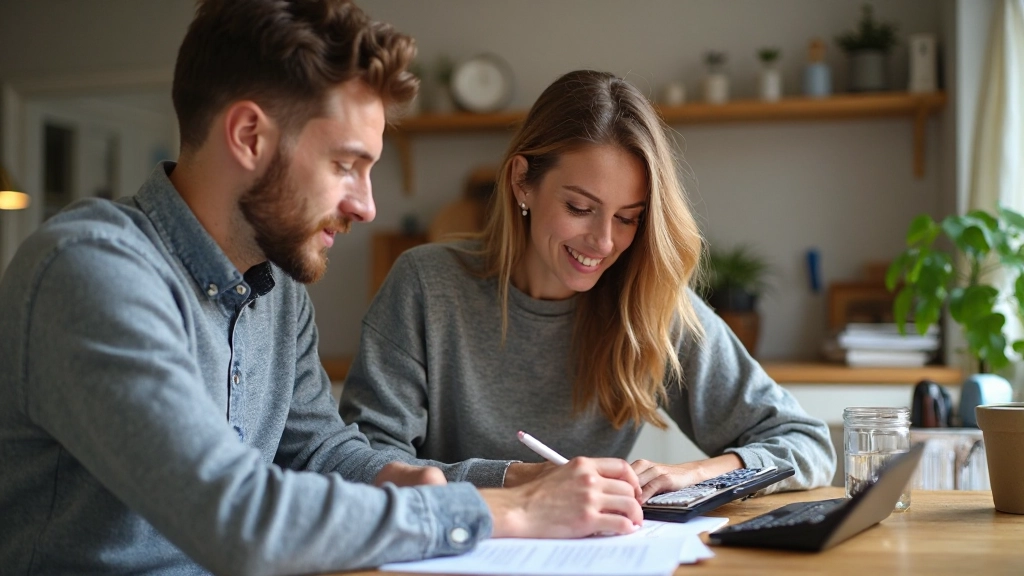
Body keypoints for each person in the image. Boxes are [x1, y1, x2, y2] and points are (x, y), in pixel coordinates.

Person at [0, 4, 646, 575]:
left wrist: (438, 478)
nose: (366, 206)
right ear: (249, 136)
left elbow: (318, 450)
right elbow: (238, 520)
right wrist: (506, 508)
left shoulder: (276, 285)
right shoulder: (91, 270)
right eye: (345, 165)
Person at [340, 69, 837, 501]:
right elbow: (363, 466)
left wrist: (699, 473)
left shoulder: (646, 301)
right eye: (580, 208)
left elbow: (805, 443)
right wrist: (516, 480)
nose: (603, 241)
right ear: (521, 182)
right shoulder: (426, 285)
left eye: (628, 218)